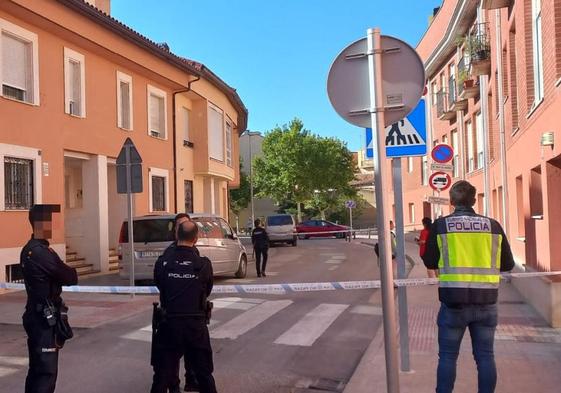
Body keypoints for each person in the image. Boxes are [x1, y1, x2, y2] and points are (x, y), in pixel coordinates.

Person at [423, 180, 514, 393]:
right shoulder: (493, 225)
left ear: (452, 201)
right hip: (486, 303)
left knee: (447, 356)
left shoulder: (441, 225)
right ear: (474, 200)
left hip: (453, 302)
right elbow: (508, 264)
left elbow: (429, 261)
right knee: (485, 356)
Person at [151, 220, 217, 393]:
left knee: (162, 376)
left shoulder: (162, 263)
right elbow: (207, 290)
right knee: (204, 374)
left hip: (169, 324)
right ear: (196, 239)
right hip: (196, 325)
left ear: (175, 235)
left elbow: (160, 285)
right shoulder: (204, 265)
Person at [20, 204, 78, 393]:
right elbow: (70, 277)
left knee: (36, 371)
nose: (54, 226)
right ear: (40, 224)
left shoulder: (28, 249)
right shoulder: (41, 253)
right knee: (46, 373)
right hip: (43, 319)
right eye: (50, 221)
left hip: (35, 314)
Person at [155, 213, 200, 393]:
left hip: (193, 314)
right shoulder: (168, 255)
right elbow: (161, 283)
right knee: (169, 358)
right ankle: (173, 384)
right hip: (172, 314)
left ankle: (191, 379)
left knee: (193, 355)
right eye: (181, 225)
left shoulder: (195, 254)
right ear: (176, 231)